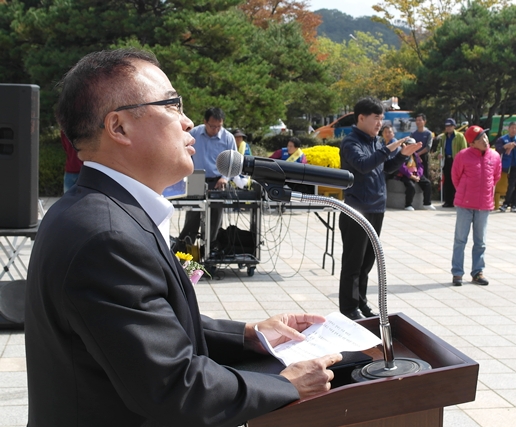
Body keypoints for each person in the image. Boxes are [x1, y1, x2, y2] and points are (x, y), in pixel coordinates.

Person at [25, 48, 342, 427]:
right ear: (119, 127)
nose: (188, 121)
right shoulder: (104, 235)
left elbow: (148, 322)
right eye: (172, 104)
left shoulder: (100, 211)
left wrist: (248, 334)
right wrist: (285, 383)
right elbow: (174, 387)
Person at [339, 96, 422, 320]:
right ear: (361, 118)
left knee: (367, 262)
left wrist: (402, 156)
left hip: (376, 208)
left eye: (381, 118)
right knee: (353, 263)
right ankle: (348, 308)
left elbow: (384, 169)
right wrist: (388, 149)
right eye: (376, 118)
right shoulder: (351, 142)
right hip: (357, 209)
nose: (380, 123)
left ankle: (362, 303)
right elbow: (364, 166)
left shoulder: (375, 142)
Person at [175, 107, 237, 252]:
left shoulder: (228, 138)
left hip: (218, 181)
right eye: (212, 126)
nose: (215, 129)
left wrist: (225, 178)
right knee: (193, 216)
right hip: (196, 178)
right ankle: (184, 249)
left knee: (215, 218)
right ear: (205, 122)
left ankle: (210, 249)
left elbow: (233, 162)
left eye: (219, 126)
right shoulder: (194, 134)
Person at [451, 125, 501, 286]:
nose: (484, 141)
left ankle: (477, 272)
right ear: (472, 144)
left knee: (481, 241)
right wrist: (466, 192)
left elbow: (496, 177)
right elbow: (456, 177)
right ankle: (457, 273)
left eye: (485, 137)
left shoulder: (494, 156)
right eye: (479, 139)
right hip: (465, 204)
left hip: (484, 204)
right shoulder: (463, 156)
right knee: (460, 239)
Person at [495, 122, 516, 213]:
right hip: (510, 166)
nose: (514, 130)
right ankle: (506, 203)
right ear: (508, 128)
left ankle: (514, 204)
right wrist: (505, 146)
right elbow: (498, 148)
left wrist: (513, 144)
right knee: (511, 185)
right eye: (512, 128)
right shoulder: (503, 139)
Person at [396, 140, 435, 211]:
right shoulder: (401, 153)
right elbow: (401, 167)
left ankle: (427, 203)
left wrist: (418, 175)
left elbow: (420, 166)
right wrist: (411, 175)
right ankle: (408, 205)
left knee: (427, 183)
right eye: (410, 145)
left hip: (416, 173)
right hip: (406, 174)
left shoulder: (415, 154)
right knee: (411, 186)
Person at [436, 118, 467, 207]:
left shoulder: (460, 136)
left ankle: (456, 200)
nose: (448, 128)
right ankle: (448, 201)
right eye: (446, 126)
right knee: (447, 181)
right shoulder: (443, 137)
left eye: (450, 126)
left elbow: (464, 149)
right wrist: (439, 154)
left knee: (456, 181)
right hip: (447, 160)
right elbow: (439, 148)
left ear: (454, 126)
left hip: (456, 161)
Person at [410, 113, 433, 180]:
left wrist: (418, 154)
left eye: (420, 120)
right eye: (417, 120)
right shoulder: (413, 134)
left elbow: (428, 147)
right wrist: (415, 154)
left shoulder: (429, 133)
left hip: (424, 157)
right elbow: (410, 145)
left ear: (424, 121)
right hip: (414, 157)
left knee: (425, 175)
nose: (418, 122)